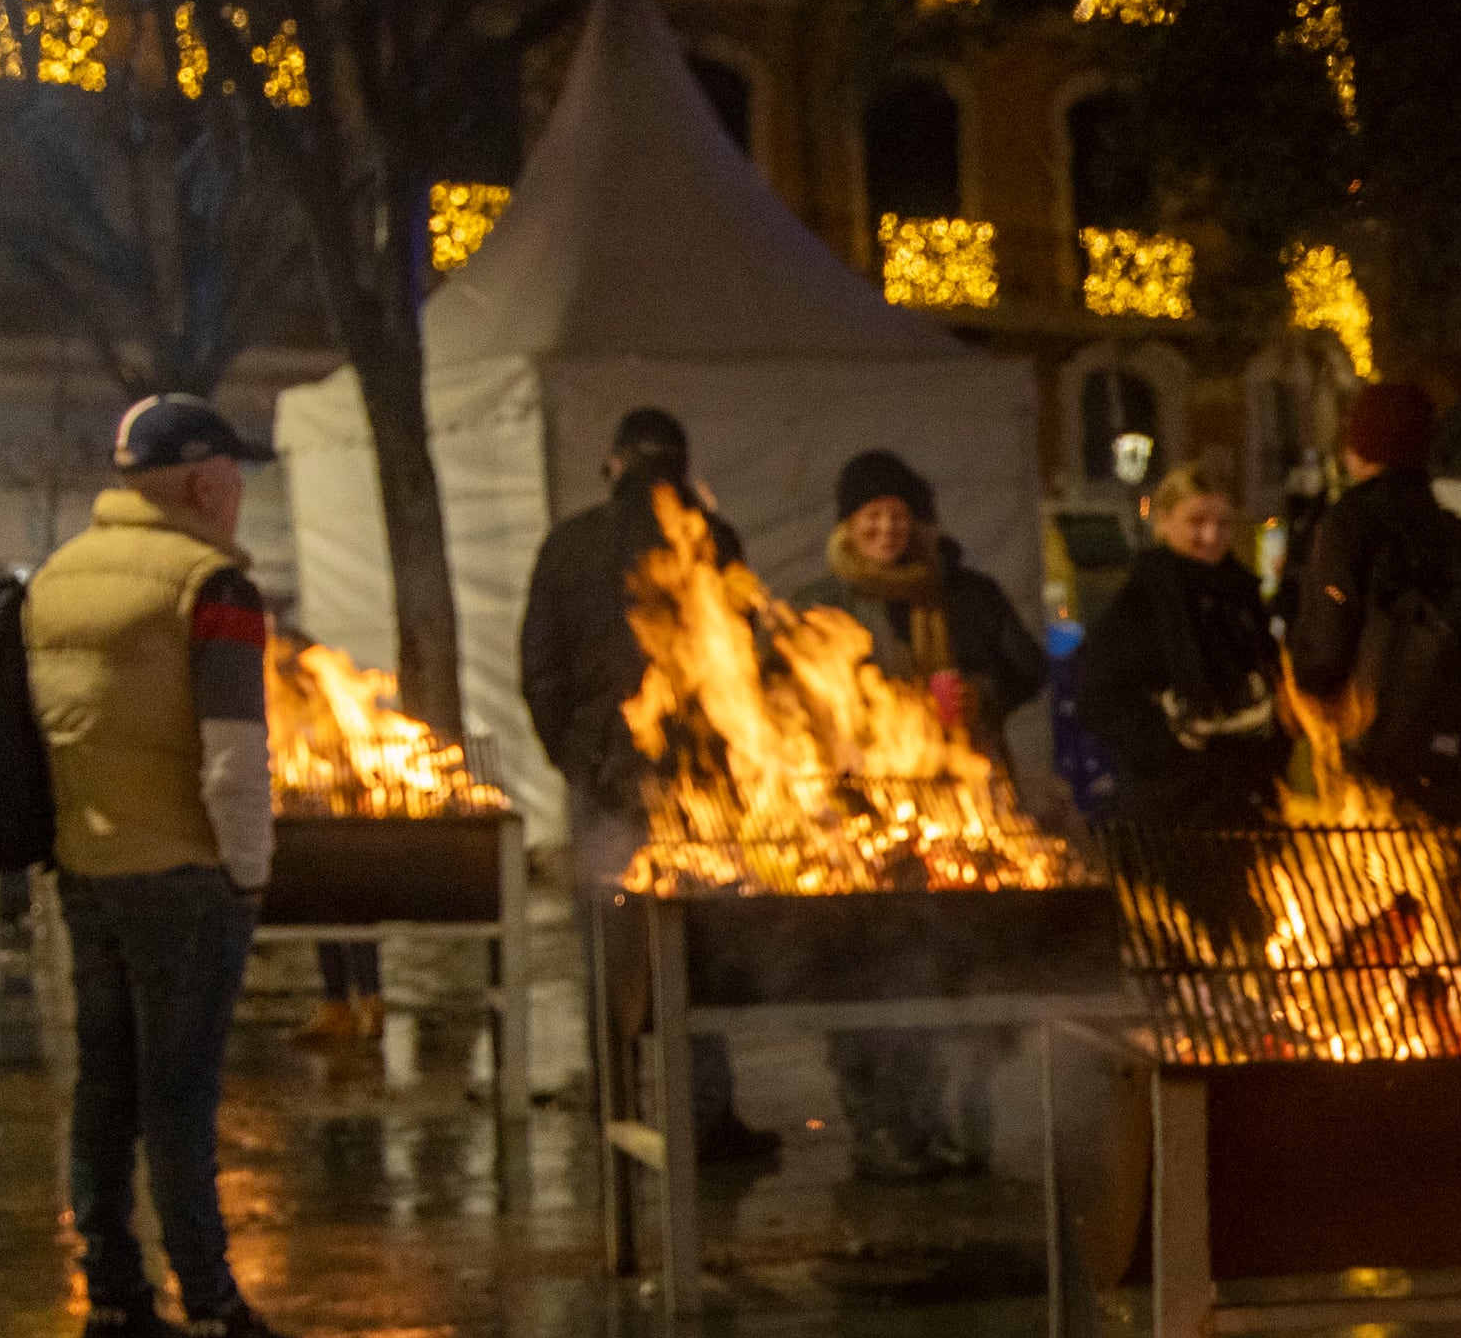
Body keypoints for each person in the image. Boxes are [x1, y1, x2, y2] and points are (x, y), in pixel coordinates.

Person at [21, 393, 333, 1338]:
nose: (238, 492)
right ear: (205, 481)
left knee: (105, 1090)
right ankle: (214, 1319)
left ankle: (114, 1311)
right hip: (183, 876)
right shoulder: (213, 585)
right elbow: (234, 756)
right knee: (181, 1097)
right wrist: (246, 876)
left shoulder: (59, 578)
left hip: (89, 868)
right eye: (234, 475)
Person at [517, 405, 773, 1165]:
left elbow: (540, 670)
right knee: (698, 934)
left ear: (613, 461)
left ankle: (617, 1102)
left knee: (613, 938)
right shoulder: (711, 540)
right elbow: (742, 666)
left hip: (604, 771)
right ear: (682, 468)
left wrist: (573, 756)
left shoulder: (568, 545)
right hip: (698, 775)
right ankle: (707, 1114)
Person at [821, 445, 1049, 1179]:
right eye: (872, 516)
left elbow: (1031, 666)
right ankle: (884, 1127)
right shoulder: (823, 603)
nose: (888, 529)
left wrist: (982, 693)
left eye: (899, 515)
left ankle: (963, 1118)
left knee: (964, 967)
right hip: (871, 813)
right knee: (874, 970)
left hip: (964, 806)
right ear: (849, 526)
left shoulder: (967, 593)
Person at [1288, 381, 1461, 822]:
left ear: (1358, 448)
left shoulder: (1348, 526)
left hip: (1375, 760)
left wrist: (1299, 680)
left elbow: (1326, 652)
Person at [1070, 455, 1286, 828]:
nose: (1211, 536)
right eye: (1196, 522)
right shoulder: (1140, 602)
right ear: (1164, 521)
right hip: (1168, 812)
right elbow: (1098, 697)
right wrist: (1171, 752)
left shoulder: (1241, 598)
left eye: (1222, 523)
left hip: (1247, 805)